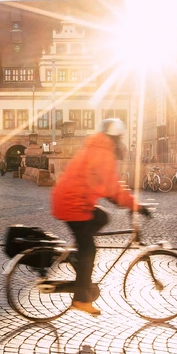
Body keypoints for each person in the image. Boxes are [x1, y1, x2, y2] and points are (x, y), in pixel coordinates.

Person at [51, 118, 150, 316]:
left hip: (73, 200)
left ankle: (78, 253)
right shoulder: (102, 152)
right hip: (73, 204)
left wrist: (118, 199)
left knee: (102, 218)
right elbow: (112, 185)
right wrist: (136, 206)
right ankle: (80, 299)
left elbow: (104, 184)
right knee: (89, 250)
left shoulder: (95, 147)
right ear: (115, 137)